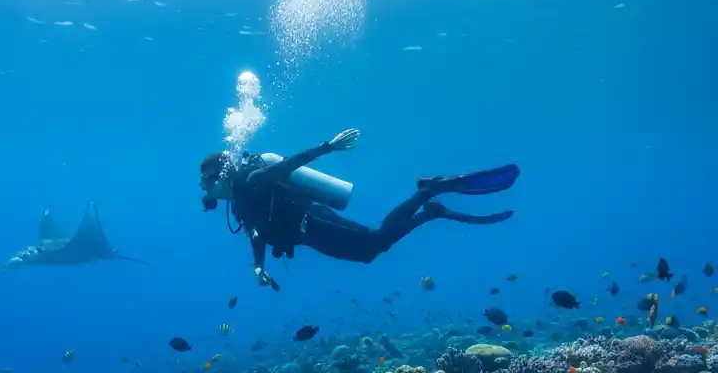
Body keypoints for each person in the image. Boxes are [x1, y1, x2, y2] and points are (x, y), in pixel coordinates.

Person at [200, 129, 519, 290]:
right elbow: (256, 232)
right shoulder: (240, 204)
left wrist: (327, 147)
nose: (206, 191)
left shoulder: (252, 179)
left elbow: (287, 166)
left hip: (314, 221)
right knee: (369, 253)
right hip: (308, 236)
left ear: (221, 176)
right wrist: (258, 266)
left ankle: (428, 192)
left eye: (207, 182)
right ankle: (429, 210)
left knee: (376, 241)